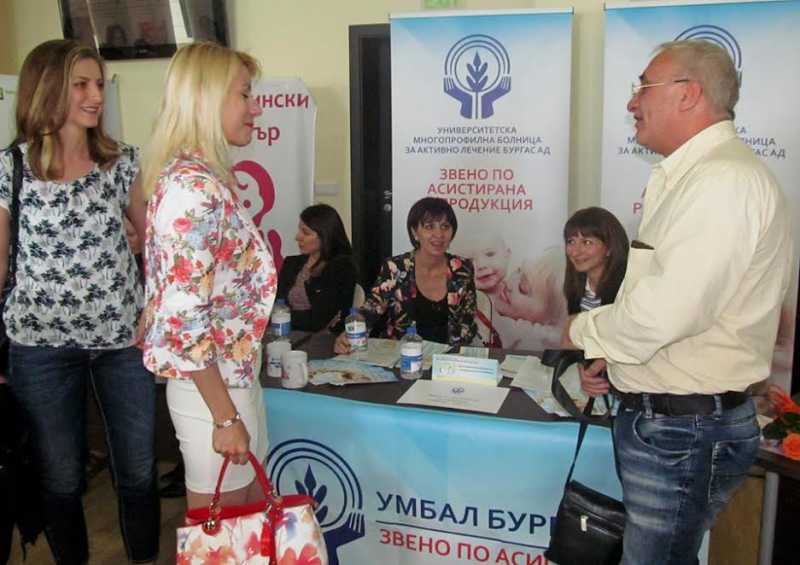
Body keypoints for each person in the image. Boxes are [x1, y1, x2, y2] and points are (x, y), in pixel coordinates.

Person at [564, 40, 793, 565]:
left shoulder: (722, 181)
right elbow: (668, 301)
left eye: (643, 87)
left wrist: (581, 331)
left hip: (682, 429)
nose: (631, 103)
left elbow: (664, 314)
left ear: (688, 94)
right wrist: (614, 358)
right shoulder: (696, 176)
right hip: (675, 422)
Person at [0, 39, 159, 564]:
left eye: (99, 84)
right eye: (82, 85)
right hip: (39, 348)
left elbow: (154, 246)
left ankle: (143, 558)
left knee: (138, 469)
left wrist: (153, 309)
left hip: (122, 341)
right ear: (47, 89)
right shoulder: (10, 168)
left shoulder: (121, 161)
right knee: (61, 476)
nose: (96, 96)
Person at [141, 42, 277, 511]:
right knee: (223, 531)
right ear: (207, 99)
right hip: (213, 395)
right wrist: (224, 418)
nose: (255, 108)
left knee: (251, 522)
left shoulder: (207, 179)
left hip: (233, 380)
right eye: (245, 94)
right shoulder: (192, 189)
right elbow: (183, 318)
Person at [334, 197, 477, 351]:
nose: (439, 234)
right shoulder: (395, 268)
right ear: (415, 232)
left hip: (448, 358)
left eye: (445, 226)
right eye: (429, 227)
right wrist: (348, 335)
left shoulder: (462, 269)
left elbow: (467, 321)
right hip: (402, 355)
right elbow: (371, 310)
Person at [277, 204, 357, 332]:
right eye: (299, 230)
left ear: (325, 235)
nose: (298, 237)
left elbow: (319, 320)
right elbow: (277, 304)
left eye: (306, 233)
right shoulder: (291, 263)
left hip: (323, 337)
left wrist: (281, 317)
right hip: (284, 331)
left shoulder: (341, 268)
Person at [562, 206, 628, 315]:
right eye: (571, 241)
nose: (575, 252)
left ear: (609, 248)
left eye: (587, 242)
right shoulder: (575, 286)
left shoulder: (627, 290)